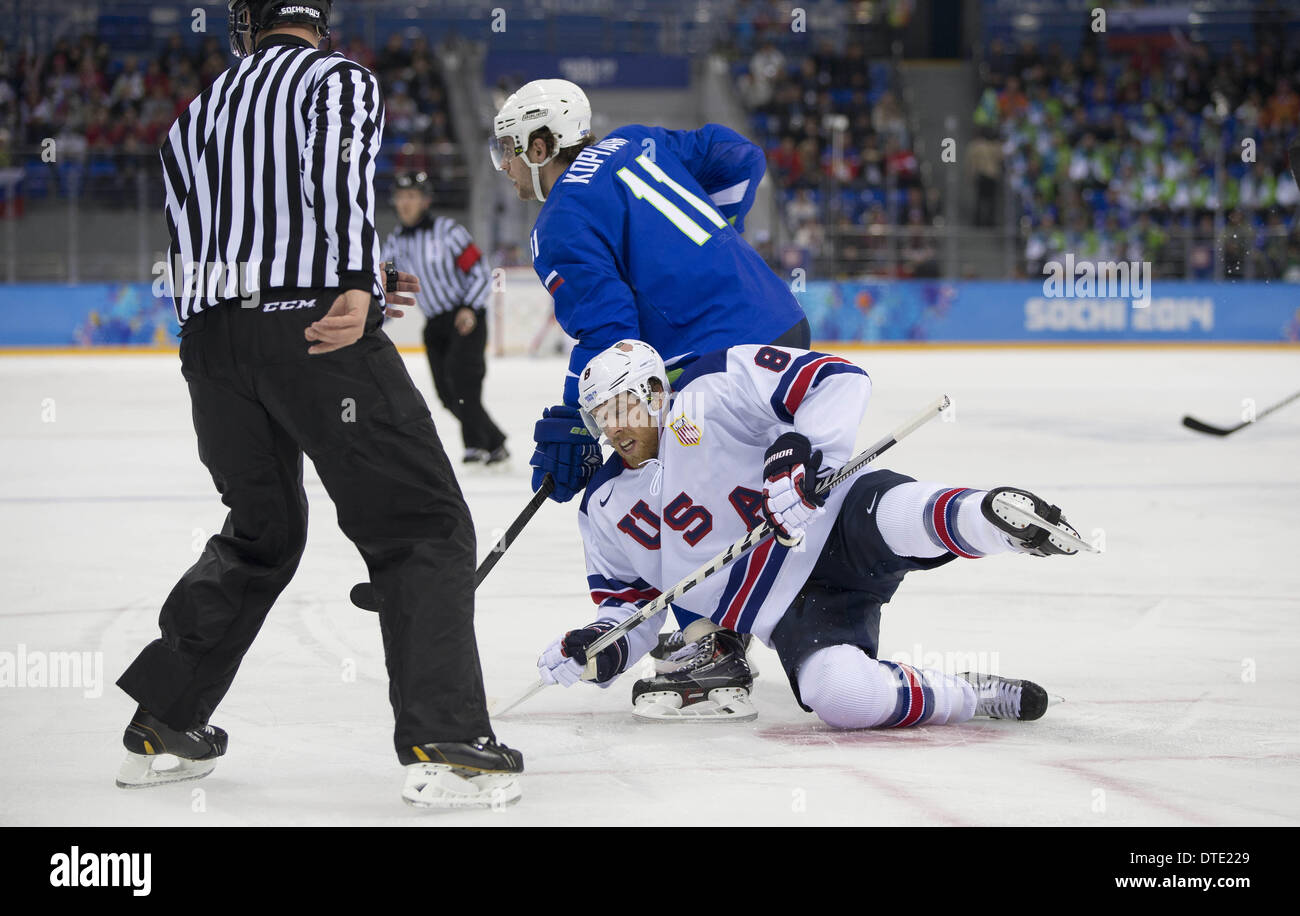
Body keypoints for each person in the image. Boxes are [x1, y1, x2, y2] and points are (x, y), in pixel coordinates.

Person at [114, 0, 522, 809]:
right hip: (311, 337)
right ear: (317, 21)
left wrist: (347, 281)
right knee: (423, 523)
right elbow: (335, 182)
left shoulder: (195, 113)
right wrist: (354, 283)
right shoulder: (336, 80)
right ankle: (446, 738)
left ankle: (164, 719)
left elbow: (200, 239)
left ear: (247, 22)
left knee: (261, 533)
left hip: (214, 345)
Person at [537, 340, 1079, 726]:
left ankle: (994, 519)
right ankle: (970, 696)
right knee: (840, 697)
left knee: (900, 516)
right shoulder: (604, 507)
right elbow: (630, 611)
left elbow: (837, 379)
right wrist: (596, 648)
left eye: (620, 406)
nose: (611, 428)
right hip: (792, 614)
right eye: (598, 417)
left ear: (656, 391)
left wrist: (800, 457)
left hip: (837, 519)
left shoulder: (710, 387)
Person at [491, 77, 810, 689]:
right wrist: (704, 246)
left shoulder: (558, 222)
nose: (503, 165)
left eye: (508, 148)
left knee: (659, 487)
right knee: (733, 486)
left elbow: (611, 339)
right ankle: (741, 623)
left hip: (711, 360)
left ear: (540, 146)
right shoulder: (640, 141)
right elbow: (740, 155)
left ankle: (710, 651)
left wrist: (575, 424)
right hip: (782, 327)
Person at [383, 170, 508, 466]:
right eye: (400, 197)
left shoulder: (448, 231)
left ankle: (475, 446)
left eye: (411, 196)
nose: (405, 203)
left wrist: (470, 308)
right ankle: (494, 442)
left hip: (465, 317)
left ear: (425, 200)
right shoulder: (395, 243)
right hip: (435, 325)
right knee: (445, 393)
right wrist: (373, 321)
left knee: (464, 382)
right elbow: (386, 289)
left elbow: (479, 271)